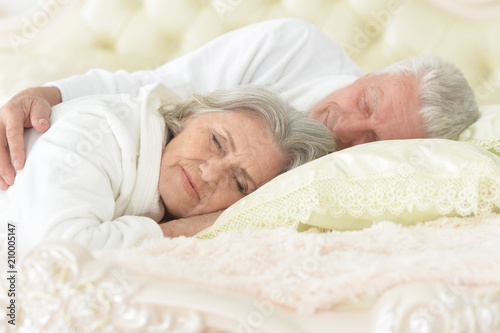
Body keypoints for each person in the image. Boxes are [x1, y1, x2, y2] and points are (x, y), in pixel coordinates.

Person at [0, 18, 479, 190]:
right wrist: (46, 95)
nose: (348, 123)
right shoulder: (294, 46)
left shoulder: (361, 180)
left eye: (373, 139)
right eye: (368, 99)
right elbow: (157, 83)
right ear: (373, 71)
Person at [0, 84, 335, 254]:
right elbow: (58, 257)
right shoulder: (101, 132)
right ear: (191, 115)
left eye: (238, 182)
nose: (209, 173)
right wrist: (191, 227)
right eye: (217, 142)